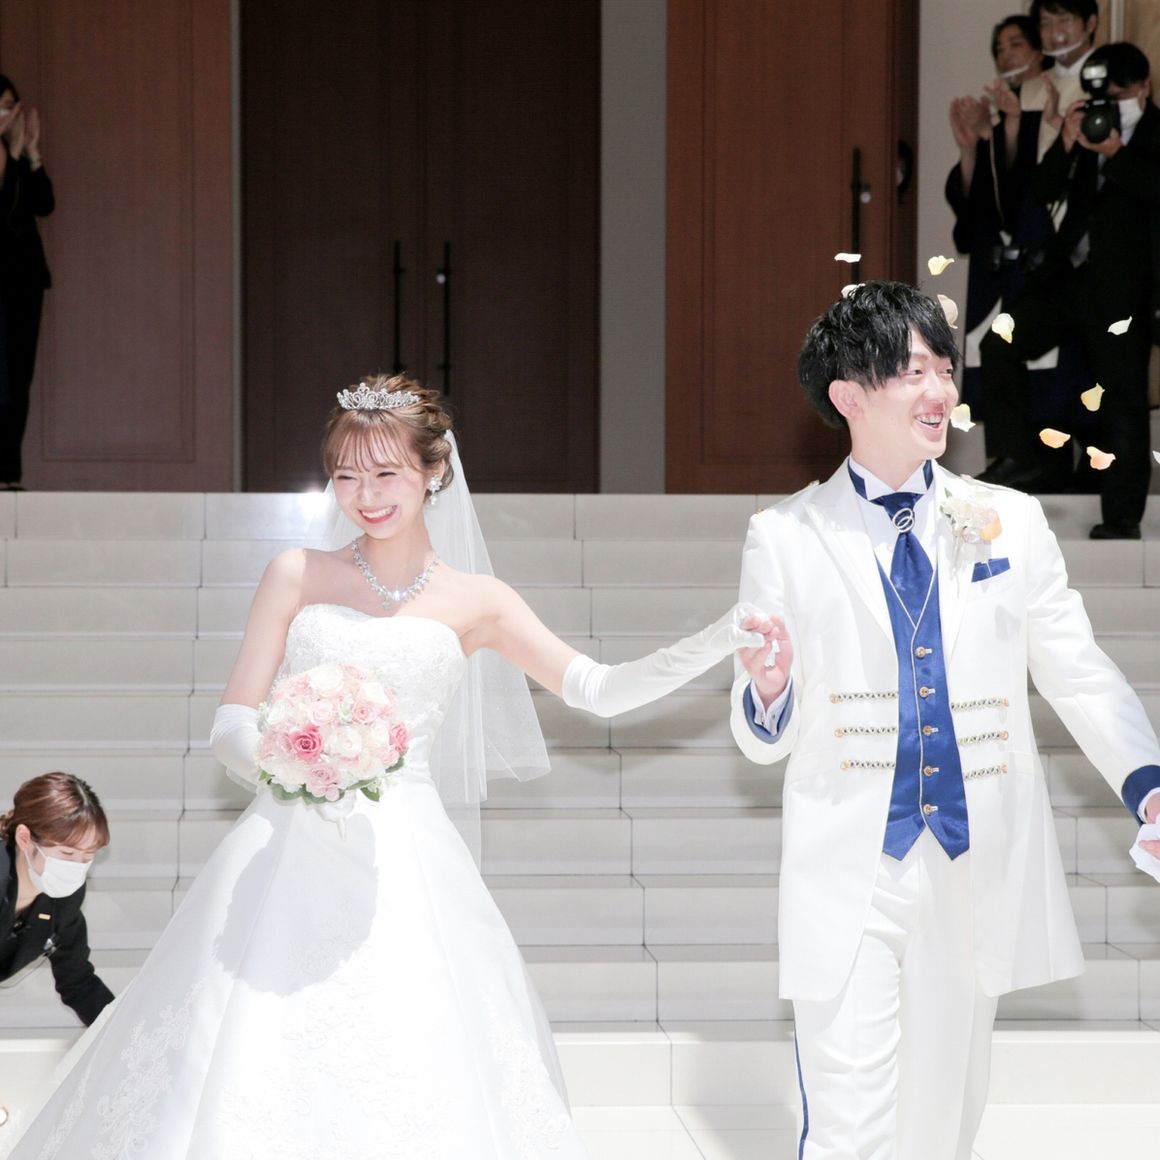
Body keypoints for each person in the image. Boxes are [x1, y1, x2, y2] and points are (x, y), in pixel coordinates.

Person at [5, 374, 762, 1158]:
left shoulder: (480, 601)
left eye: (386, 473)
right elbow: (232, 721)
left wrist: (718, 640)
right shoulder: (297, 573)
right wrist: (286, 765)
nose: (364, 495)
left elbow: (597, 690)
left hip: (406, 853)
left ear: (435, 471)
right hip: (285, 842)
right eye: (346, 475)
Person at [730, 282, 1160, 1160]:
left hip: (972, 862)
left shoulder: (1011, 522)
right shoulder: (786, 537)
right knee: (849, 1123)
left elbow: (1076, 670)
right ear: (849, 396)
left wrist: (1147, 783)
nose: (940, 391)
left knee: (942, 1120)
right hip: (853, 866)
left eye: (944, 368)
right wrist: (768, 693)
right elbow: (759, 736)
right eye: (912, 370)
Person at [978, 42, 1160, 538]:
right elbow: (1042, 192)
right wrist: (1066, 140)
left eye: (1118, 95)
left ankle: (1121, 517)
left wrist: (1116, 153)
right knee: (1000, 341)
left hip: (1125, 289)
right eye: (1102, 95)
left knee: (1122, 398)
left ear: (1143, 88)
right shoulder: (1084, 128)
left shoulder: (1154, 132)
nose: (1108, 106)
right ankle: (1019, 457)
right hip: (1069, 279)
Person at [0, 772, 113, 1025]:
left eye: (88, 856)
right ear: (25, 839)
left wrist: (125, 1032)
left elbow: (78, 982)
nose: (76, 866)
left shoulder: (65, 897)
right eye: (67, 853)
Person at [0, 76, 53, 490]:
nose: (10, 114)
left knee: (19, 376)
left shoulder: (16, 154)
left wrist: (31, 153)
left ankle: (9, 472)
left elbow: (44, 204)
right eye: (3, 106)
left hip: (24, 281)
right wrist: (13, 154)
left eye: (13, 106)